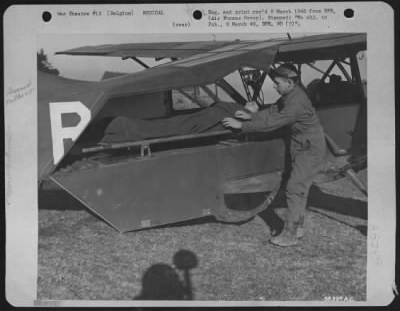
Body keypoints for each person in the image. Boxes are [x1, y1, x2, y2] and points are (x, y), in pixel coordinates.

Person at [222, 63, 326, 247]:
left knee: (295, 187)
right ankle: (297, 226)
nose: (274, 86)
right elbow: (273, 111)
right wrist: (252, 116)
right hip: (301, 144)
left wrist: (242, 126)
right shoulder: (289, 95)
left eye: (277, 83)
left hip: (310, 148)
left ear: (289, 82)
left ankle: (290, 234)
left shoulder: (296, 103)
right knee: (298, 187)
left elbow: (274, 122)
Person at [100, 101, 258, 143]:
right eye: (251, 103)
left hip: (200, 122)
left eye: (254, 105)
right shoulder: (236, 108)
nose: (252, 103)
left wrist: (249, 112)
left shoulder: (241, 112)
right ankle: (123, 125)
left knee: (169, 126)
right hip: (201, 118)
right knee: (169, 124)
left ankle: (123, 125)